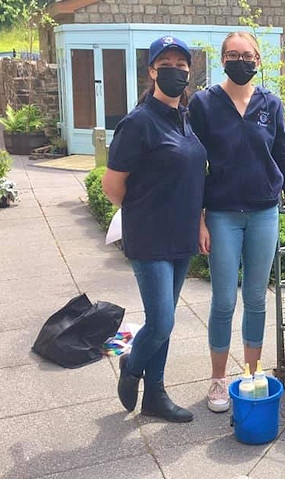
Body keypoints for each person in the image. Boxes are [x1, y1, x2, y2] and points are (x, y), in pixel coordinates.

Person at [189, 31, 285, 413]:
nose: (240, 60)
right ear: (222, 59)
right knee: (224, 301)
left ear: (258, 60)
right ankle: (217, 380)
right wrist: (199, 219)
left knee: (257, 299)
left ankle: (254, 374)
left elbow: (284, 158)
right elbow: (193, 164)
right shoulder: (204, 103)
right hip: (223, 214)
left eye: (247, 55)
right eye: (232, 54)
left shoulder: (270, 104)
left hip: (264, 212)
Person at [102, 35, 206, 423]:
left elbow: (192, 177)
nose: (176, 70)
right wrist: (147, 212)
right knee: (162, 321)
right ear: (151, 70)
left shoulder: (186, 118)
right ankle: (130, 364)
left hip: (181, 236)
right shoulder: (138, 122)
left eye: (182, 65)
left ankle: (155, 396)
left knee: (163, 321)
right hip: (150, 238)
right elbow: (112, 187)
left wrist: (198, 222)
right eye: (167, 64)